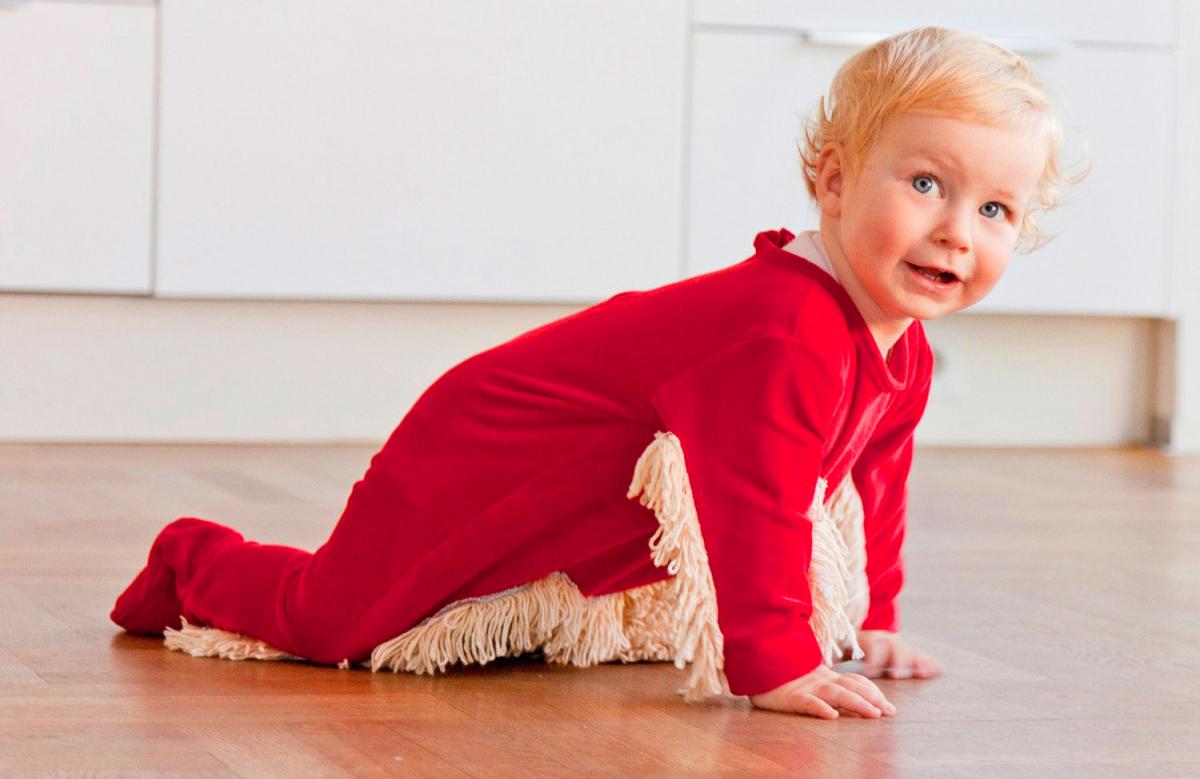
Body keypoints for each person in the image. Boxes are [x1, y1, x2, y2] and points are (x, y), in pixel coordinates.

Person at [110, 26, 1080, 720]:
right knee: (335, 620)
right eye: (925, 184)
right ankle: (194, 556)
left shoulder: (896, 345)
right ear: (831, 181)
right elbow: (755, 499)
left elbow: (870, 491)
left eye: (997, 210)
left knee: (485, 621)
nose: (957, 230)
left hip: (570, 482)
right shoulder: (786, 329)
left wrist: (872, 620)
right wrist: (774, 659)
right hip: (483, 446)